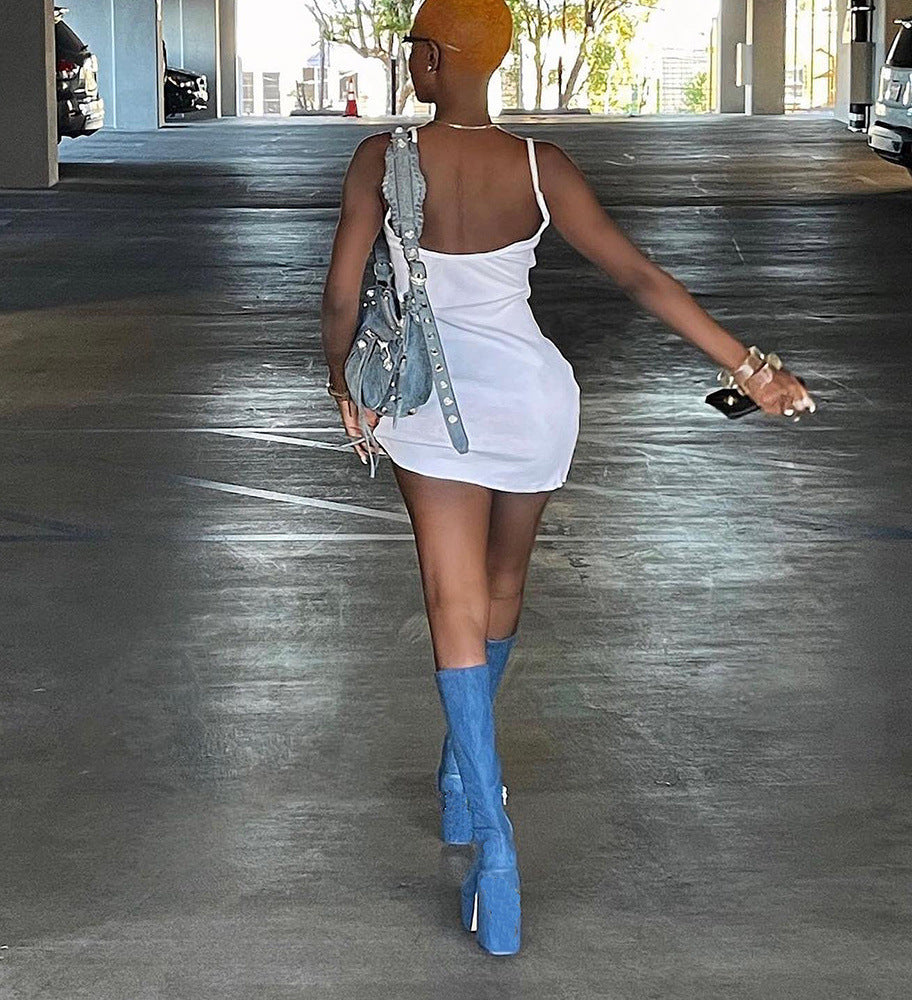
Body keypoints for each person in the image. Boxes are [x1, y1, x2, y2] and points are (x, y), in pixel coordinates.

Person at [319, 0, 815, 956]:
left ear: (433, 60)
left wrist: (343, 383)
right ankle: (465, 779)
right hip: (535, 403)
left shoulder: (382, 163)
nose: (410, 62)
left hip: (431, 408)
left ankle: (493, 841)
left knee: (450, 602)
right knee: (503, 588)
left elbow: (345, 293)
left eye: (415, 48)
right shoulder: (541, 167)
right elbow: (638, 275)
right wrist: (753, 370)